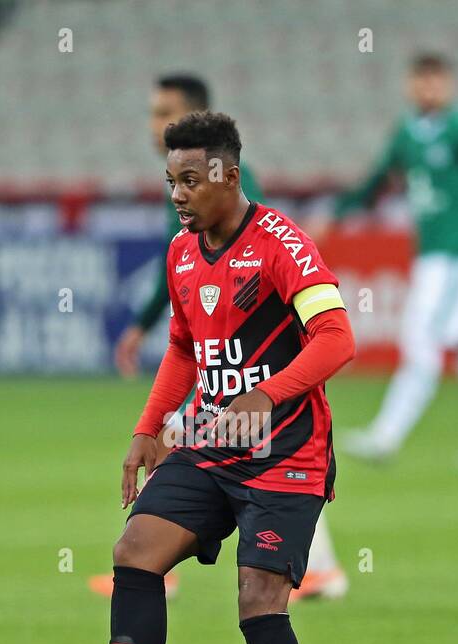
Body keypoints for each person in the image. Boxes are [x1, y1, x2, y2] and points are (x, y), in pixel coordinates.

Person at [55, 112, 355, 644]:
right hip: (213, 446)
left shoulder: (282, 244)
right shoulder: (183, 255)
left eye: (190, 179)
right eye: (170, 181)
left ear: (228, 175)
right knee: (135, 551)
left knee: (259, 598)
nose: (178, 195)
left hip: (286, 455)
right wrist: (148, 427)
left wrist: (266, 391)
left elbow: (337, 338)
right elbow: (185, 350)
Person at [90, 74, 346, 602]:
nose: (153, 122)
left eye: (164, 111)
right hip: (225, 371)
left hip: (259, 367)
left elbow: (255, 258)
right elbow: (186, 283)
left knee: (264, 449)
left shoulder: (221, 185)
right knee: (187, 441)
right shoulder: (187, 187)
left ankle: (308, 568)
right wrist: (148, 331)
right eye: (152, 111)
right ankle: (159, 563)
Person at [321, 52, 458, 468]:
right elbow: (375, 182)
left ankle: (386, 437)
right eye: (421, 81)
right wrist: (336, 214)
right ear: (410, 85)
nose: (428, 89)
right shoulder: (406, 134)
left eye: (436, 81)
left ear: (449, 84)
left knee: (420, 340)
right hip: (433, 256)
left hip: (454, 258)